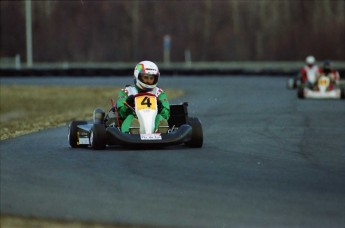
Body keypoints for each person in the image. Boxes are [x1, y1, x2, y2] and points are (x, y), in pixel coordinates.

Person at [109, 60, 170, 134]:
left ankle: (160, 131)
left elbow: (166, 114)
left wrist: (160, 108)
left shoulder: (159, 93)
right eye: (146, 77)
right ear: (138, 76)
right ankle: (131, 131)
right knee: (130, 118)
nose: (148, 81)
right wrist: (128, 104)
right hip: (135, 119)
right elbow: (121, 114)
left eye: (151, 78)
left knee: (160, 118)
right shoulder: (127, 92)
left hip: (153, 120)